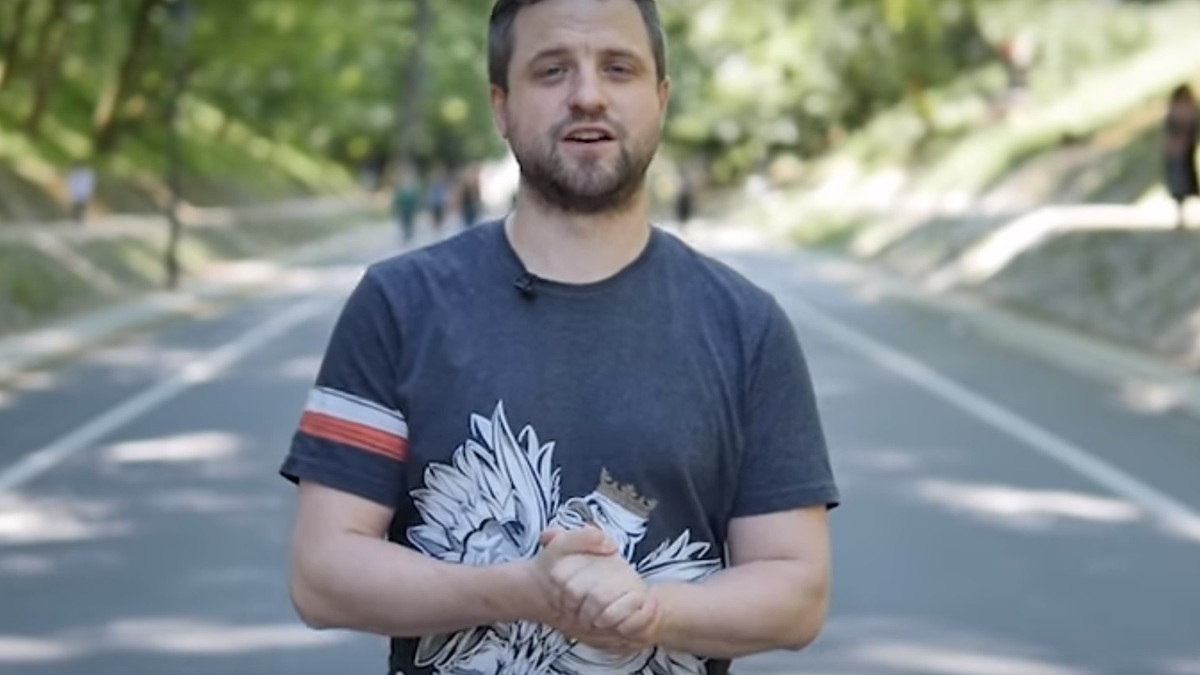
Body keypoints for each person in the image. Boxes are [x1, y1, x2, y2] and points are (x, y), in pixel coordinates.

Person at [278, 1, 839, 674]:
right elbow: (322, 573)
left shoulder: (747, 326)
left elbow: (796, 593)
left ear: (660, 99)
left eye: (619, 68)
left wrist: (648, 611)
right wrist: (523, 590)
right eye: (552, 70)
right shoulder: (397, 305)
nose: (588, 95)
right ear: (501, 106)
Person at [1164, 84, 1198, 229]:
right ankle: (1180, 216)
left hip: (1186, 154)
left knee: (1187, 183)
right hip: (1177, 153)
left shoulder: (1188, 112)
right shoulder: (1176, 113)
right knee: (1179, 185)